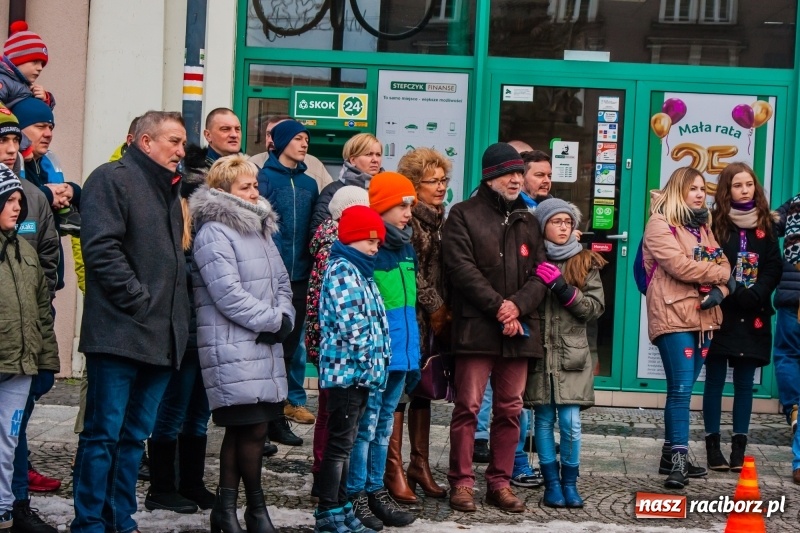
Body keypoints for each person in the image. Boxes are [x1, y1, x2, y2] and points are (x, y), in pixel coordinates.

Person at [72, 111, 191, 533]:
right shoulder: (112, 178)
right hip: (119, 333)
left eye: (182, 142)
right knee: (103, 434)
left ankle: (119, 519)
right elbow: (100, 248)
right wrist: (138, 301)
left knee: (131, 437)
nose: (181, 150)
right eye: (174, 141)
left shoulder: (171, 190)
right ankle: (89, 522)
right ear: (145, 142)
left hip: (161, 338)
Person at [443, 143, 547, 513]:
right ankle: (462, 483)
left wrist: (517, 306)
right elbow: (460, 268)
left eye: (520, 173)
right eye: (508, 173)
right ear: (490, 177)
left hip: (518, 331)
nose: (517, 179)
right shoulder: (462, 214)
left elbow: (543, 273)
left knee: (510, 409)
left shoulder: (529, 219)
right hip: (477, 330)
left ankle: (499, 483)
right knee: (468, 407)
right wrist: (499, 306)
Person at [191, 154, 293, 533]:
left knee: (254, 430)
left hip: (263, 345)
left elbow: (282, 282)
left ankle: (230, 511)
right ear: (223, 192)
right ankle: (253, 509)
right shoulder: (214, 231)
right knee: (246, 429)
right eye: (245, 187)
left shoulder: (261, 228)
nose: (254, 192)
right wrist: (271, 320)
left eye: (254, 186)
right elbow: (227, 294)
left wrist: (284, 317)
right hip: (232, 345)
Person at [642, 166, 732, 490]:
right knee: (681, 389)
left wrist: (723, 287)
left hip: (704, 318)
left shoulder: (702, 228)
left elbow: (725, 263)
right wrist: (722, 278)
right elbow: (680, 266)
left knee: (684, 389)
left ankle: (670, 452)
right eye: (692, 188)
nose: (699, 194)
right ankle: (678, 462)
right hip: (673, 316)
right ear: (678, 190)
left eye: (701, 189)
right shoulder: (659, 223)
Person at [143, 133, 217, 514]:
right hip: (180, 326)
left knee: (198, 412)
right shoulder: (176, 219)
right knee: (172, 409)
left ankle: (191, 483)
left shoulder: (207, 221)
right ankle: (162, 487)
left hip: (204, 327)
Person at [345, 172, 419, 531]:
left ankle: (377, 488)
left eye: (410, 205)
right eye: (401, 205)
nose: (408, 212)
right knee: (366, 426)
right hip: (378, 352)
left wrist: (412, 352)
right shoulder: (370, 247)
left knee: (385, 422)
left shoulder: (407, 246)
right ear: (381, 206)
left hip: (402, 353)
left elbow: (409, 304)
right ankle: (357, 491)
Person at [0, 106, 60, 533]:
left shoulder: (31, 195)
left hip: (23, 342)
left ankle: (14, 506)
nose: (8, 150)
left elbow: (48, 262)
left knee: (12, 433)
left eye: (11, 141)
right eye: (0, 142)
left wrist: (38, 337)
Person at [527, 199, 607, 508]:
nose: (563, 227)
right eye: (556, 221)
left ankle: (570, 482)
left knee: (571, 422)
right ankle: (551, 484)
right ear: (543, 225)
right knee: (544, 420)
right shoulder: (533, 259)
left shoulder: (585, 261)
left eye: (567, 222)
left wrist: (563, 289)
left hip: (572, 355)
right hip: (540, 353)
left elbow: (594, 308)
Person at [314, 204, 388, 533]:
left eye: (378, 242)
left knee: (346, 441)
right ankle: (328, 511)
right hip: (346, 373)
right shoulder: (343, 269)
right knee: (339, 445)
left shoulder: (361, 270)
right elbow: (353, 326)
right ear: (354, 237)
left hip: (359, 373)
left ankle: (342, 506)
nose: (375, 248)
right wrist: (369, 360)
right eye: (371, 241)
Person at [703, 163, 781, 473]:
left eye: (749, 184)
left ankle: (739, 447)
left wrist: (758, 293)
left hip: (754, 312)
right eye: (738, 185)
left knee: (745, 383)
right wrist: (733, 289)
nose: (745, 190)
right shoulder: (715, 224)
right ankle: (712, 446)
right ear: (727, 190)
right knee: (715, 380)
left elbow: (774, 266)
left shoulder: (767, 224)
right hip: (723, 310)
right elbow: (709, 261)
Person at [389, 148, 451, 502]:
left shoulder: (441, 220)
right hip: (411, 318)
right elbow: (410, 274)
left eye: (443, 180)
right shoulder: (409, 221)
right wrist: (437, 307)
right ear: (415, 185)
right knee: (401, 392)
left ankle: (420, 464)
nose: (440, 187)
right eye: (433, 181)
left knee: (424, 391)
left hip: (433, 322)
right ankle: (393, 467)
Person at [306, 186, 371, 499]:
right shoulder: (339, 256)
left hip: (337, 353)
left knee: (335, 419)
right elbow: (337, 311)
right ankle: (328, 490)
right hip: (338, 355)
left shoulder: (353, 256)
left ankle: (333, 491)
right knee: (333, 420)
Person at [257, 119, 318, 444]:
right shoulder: (263, 179)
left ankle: (278, 418)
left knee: (288, 348)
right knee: (267, 349)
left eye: (306, 138)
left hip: (300, 280)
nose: (304, 143)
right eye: (297, 138)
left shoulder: (309, 184)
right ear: (281, 143)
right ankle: (261, 423)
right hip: (269, 280)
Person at [311, 133, 383, 231]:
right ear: (352, 160)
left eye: (378, 154)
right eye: (368, 154)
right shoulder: (332, 191)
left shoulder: (387, 189)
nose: (375, 160)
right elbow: (319, 234)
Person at [249, 114, 333, 193]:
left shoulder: (315, 166)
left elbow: (328, 198)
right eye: (268, 134)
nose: (271, 140)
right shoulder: (252, 164)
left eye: (278, 134)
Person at [0, 21, 55, 109]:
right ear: (17, 60)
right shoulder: (4, 81)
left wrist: (45, 99)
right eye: (35, 62)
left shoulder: (24, 85)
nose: (40, 68)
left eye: (42, 64)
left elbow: (36, 114)